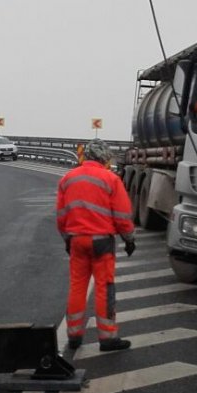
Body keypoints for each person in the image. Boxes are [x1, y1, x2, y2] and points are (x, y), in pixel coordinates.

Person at [56, 138, 137, 352]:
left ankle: (73, 336)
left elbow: (61, 216)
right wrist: (129, 239)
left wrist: (67, 239)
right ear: (104, 157)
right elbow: (122, 215)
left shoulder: (67, 179)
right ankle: (107, 338)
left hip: (76, 240)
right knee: (104, 287)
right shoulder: (111, 179)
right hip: (102, 241)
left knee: (77, 286)